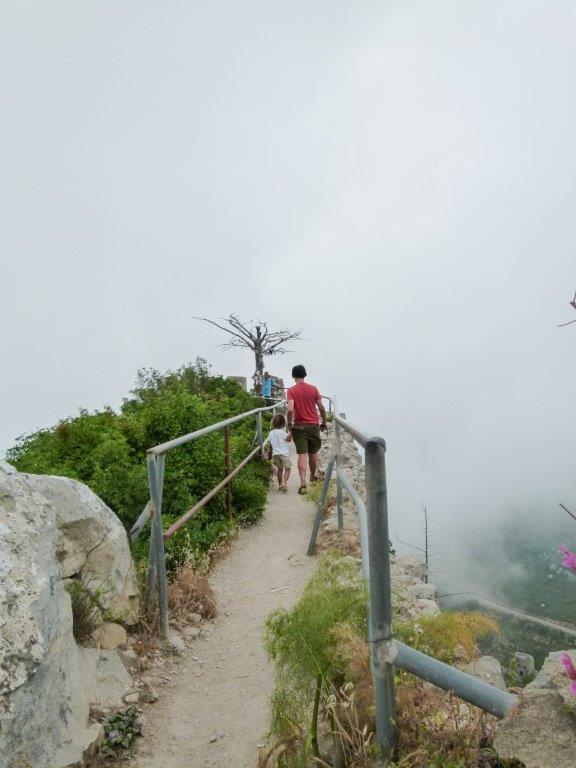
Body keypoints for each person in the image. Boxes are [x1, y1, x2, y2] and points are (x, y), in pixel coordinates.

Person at [286, 364, 327, 494]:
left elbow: (290, 409)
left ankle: (303, 483)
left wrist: (289, 425)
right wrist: (324, 421)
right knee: (313, 453)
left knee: (302, 455)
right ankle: (312, 477)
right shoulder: (313, 389)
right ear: (305, 375)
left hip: (299, 426)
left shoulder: (291, 390)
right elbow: (321, 408)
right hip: (314, 425)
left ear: (293, 376)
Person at [265, 413, 291, 492]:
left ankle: (280, 484)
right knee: (288, 469)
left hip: (275, 455)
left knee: (280, 469)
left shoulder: (271, 433)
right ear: (283, 424)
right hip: (284, 454)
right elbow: (289, 439)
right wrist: (291, 432)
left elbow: (267, 443)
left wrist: (266, 452)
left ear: (273, 423)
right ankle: (284, 483)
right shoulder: (283, 433)